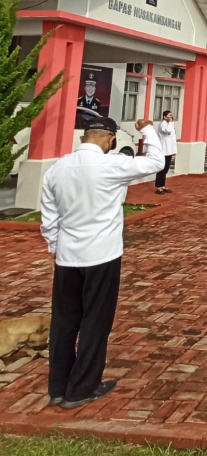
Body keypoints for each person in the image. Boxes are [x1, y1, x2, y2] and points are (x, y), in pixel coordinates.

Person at [40, 117, 164, 409]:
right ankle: (82, 387)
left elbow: (49, 216)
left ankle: (58, 386)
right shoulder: (112, 166)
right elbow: (157, 161)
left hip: (67, 257)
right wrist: (147, 129)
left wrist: (58, 247)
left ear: (85, 137)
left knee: (63, 321)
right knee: (95, 320)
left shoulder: (57, 168)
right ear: (110, 139)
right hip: (102, 256)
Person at [155, 110, 177, 195]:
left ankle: (163, 185)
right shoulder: (162, 125)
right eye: (169, 116)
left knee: (166, 168)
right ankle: (158, 187)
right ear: (164, 117)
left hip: (169, 150)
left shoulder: (169, 124)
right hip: (164, 150)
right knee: (162, 168)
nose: (171, 117)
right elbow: (168, 131)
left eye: (171, 115)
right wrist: (171, 123)